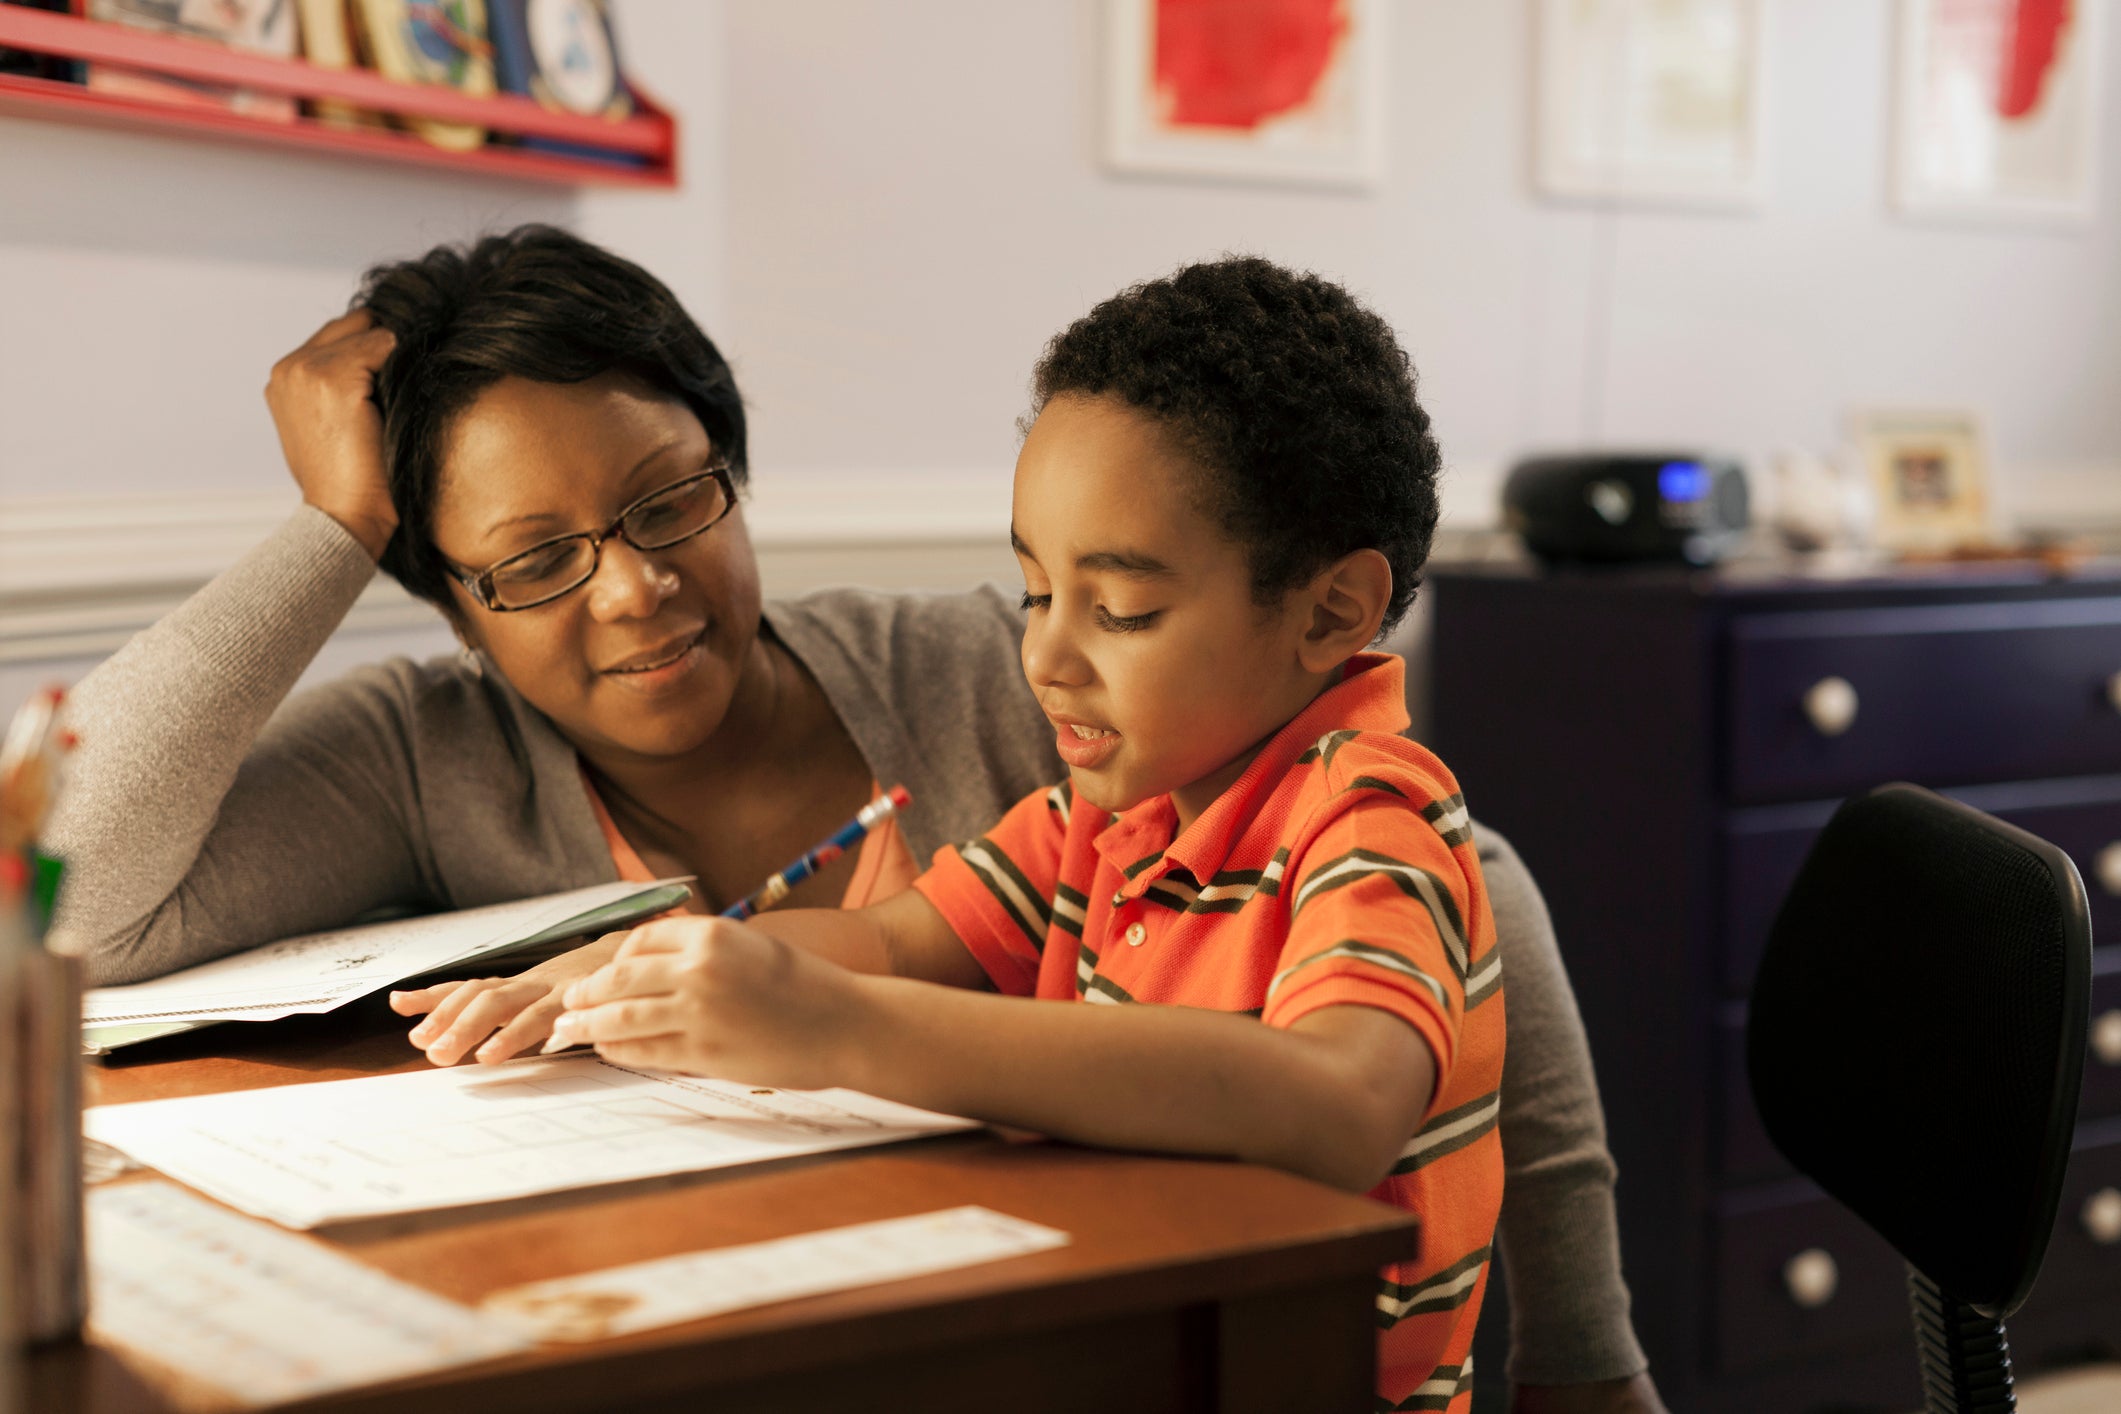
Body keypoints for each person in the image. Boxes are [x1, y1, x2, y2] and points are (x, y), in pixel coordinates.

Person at [47, 227, 1664, 1413]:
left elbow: (1455, 900)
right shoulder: (431, 753)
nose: (635, 588)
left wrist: (1588, 1362)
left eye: (673, 500)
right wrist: (336, 525)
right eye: (533, 562)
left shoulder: (1073, 715)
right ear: (457, 607)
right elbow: (58, 892)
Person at [551, 255, 1495, 1408]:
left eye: (1122, 609)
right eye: (1035, 593)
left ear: (1331, 610)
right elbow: (891, 942)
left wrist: (842, 1027)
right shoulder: (1098, 820)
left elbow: (1340, 1106)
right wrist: (652, 972)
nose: (1044, 656)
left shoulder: (1369, 819)